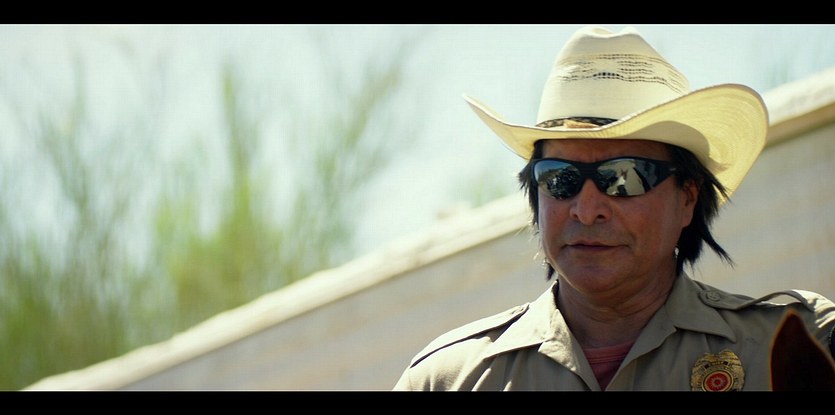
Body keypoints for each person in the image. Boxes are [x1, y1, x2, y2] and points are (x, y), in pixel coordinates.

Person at [393, 25, 835, 391]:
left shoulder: (800, 344)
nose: (587, 210)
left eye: (624, 177)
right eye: (560, 178)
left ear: (687, 198)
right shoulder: (446, 380)